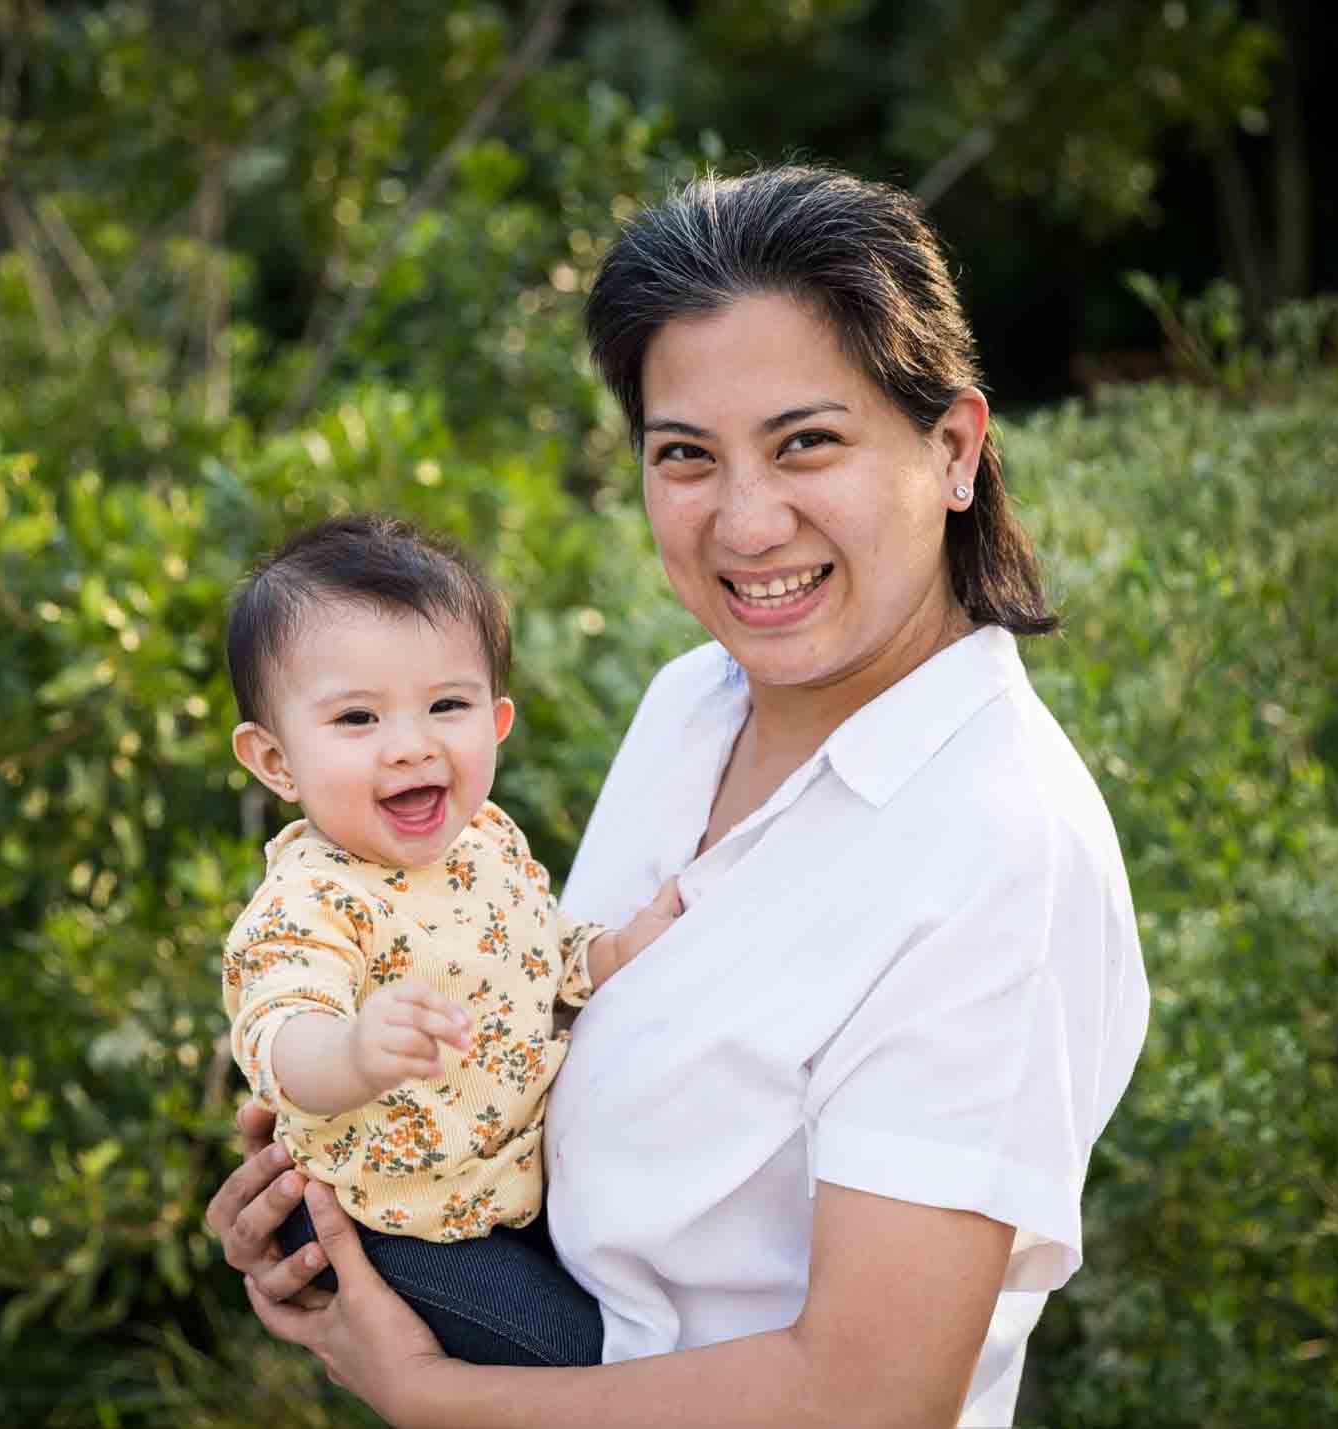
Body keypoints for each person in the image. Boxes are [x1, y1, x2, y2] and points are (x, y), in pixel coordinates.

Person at [207, 163, 1151, 1428]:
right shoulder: (693, 698)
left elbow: (870, 1398)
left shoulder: (994, 846)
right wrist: (342, 1217)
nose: (747, 522)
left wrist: (435, 1394)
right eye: (686, 455)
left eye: (806, 441)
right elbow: (544, 1027)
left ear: (953, 450)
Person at [219, 514, 683, 1367]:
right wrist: (354, 1050)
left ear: (497, 720)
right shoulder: (315, 897)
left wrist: (612, 952)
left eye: (447, 705)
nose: (411, 744)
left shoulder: (487, 845)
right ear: (276, 761)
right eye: (357, 718)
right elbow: (282, 1033)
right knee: (576, 1357)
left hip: (495, 1191)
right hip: (392, 1220)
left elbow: (536, 953)